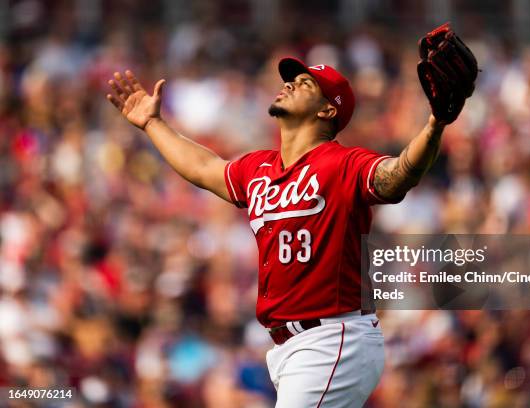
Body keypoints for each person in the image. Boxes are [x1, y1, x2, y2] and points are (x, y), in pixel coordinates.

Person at [106, 53, 456, 406]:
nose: (289, 84)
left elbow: (396, 176)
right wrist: (153, 124)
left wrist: (434, 125)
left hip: (333, 338)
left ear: (327, 110)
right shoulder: (260, 167)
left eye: (305, 84)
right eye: (291, 79)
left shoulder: (342, 163)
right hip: (289, 346)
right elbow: (203, 167)